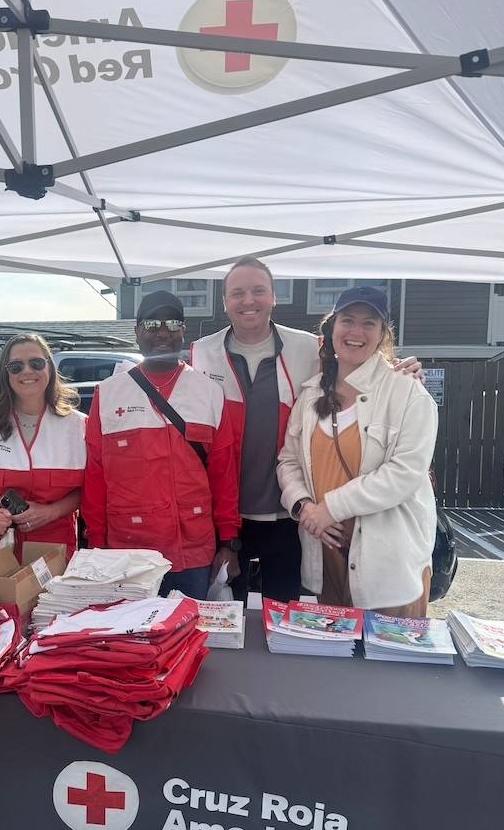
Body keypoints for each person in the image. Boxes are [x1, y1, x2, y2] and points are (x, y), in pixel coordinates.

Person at [190, 257, 422, 602]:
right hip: (225, 517)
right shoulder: (202, 352)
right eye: (237, 293)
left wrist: (399, 369)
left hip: (290, 513)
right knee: (226, 620)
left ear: (274, 297)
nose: (248, 300)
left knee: (284, 618)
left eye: (258, 291)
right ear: (224, 301)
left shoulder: (306, 347)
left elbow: (355, 360)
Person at [276, 286, 438, 614]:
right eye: (347, 320)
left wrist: (330, 508)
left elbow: (404, 473)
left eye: (369, 323)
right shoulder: (310, 395)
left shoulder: (407, 392)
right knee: (336, 660)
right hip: (328, 557)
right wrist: (304, 507)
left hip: (388, 566)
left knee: (390, 663)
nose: (356, 332)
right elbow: (288, 460)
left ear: (382, 335)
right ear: (331, 328)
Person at [82, 290, 240, 599]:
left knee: (190, 639)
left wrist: (229, 543)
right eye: (152, 323)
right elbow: (95, 477)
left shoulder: (208, 393)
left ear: (184, 330)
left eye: (172, 323)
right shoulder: (109, 394)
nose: (162, 332)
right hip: (127, 551)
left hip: (192, 551)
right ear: (137, 331)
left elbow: (224, 476)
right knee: (131, 639)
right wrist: (97, 547)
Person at [0, 333, 86, 571]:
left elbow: (88, 491)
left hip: (51, 546)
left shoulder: (80, 426)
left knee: (48, 608)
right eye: (16, 366)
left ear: (49, 368)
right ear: (5, 373)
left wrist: (51, 512)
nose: (27, 371)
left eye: (36, 363)